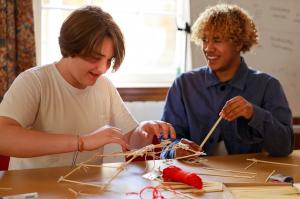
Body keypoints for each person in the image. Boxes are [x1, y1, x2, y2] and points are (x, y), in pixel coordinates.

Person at [0, 6, 175, 170]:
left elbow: (131, 141)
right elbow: (3, 136)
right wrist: (82, 142)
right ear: (71, 46)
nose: (102, 69)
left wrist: (143, 131)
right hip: (32, 190)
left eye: (109, 60)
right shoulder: (34, 81)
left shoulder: (104, 86)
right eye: (95, 58)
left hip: (85, 190)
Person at [161, 4, 294, 158]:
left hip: (249, 177)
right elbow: (166, 144)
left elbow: (284, 146)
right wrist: (175, 150)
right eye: (205, 40)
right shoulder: (184, 85)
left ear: (238, 43)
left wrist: (253, 113)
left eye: (217, 40)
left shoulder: (268, 86)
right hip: (197, 177)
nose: (208, 48)